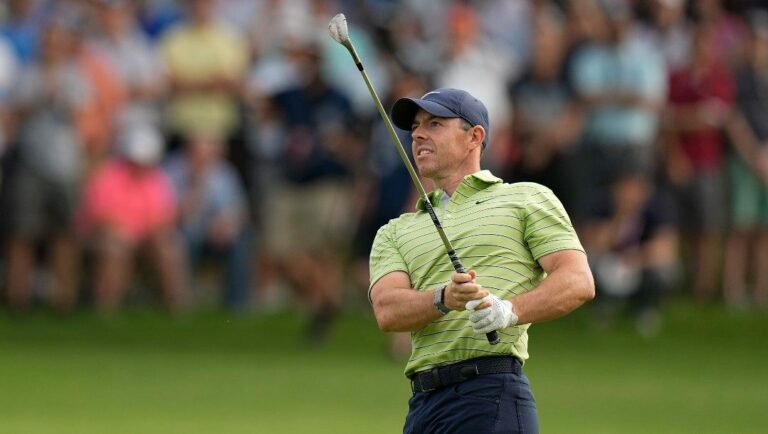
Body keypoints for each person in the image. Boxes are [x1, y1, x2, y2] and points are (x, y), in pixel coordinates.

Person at [369, 88, 595, 433]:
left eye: (435, 123)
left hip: (491, 394)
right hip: (423, 407)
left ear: (474, 137)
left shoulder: (525, 198)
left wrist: (508, 311)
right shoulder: (395, 230)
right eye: (415, 126)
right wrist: (443, 299)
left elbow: (577, 281)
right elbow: (388, 311)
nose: (418, 134)